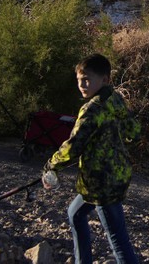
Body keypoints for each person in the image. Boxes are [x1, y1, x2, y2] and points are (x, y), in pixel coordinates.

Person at [42, 54, 141, 264]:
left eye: (87, 79)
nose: (82, 85)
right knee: (75, 214)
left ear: (105, 79)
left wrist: (52, 164)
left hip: (101, 182)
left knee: (117, 240)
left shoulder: (92, 109)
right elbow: (134, 131)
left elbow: (74, 145)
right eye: (79, 80)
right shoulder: (115, 99)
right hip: (117, 174)